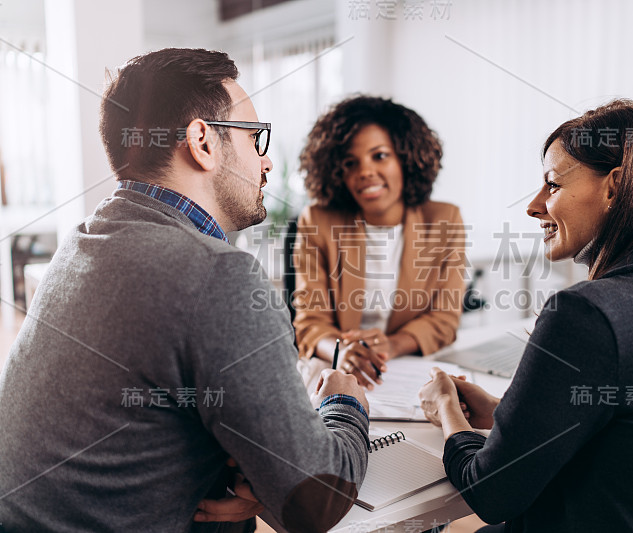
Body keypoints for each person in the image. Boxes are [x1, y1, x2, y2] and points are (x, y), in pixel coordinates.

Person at [0, 48, 370, 533]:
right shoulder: (218, 276)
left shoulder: (83, 245)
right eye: (255, 139)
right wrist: (346, 403)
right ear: (202, 142)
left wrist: (232, 462)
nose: (266, 165)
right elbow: (312, 503)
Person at [419, 99, 633, 532]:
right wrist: (505, 413)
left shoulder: (589, 313)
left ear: (614, 187)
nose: (533, 206)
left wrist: (445, 411)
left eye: (552, 185)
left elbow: (491, 492)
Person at [293, 96, 466, 389]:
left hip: (402, 369)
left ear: (405, 159)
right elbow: (310, 322)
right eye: (350, 162)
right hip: (333, 369)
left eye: (380, 155)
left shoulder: (444, 219)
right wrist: (342, 351)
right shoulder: (317, 220)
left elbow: (443, 319)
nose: (365, 172)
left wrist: (390, 345)